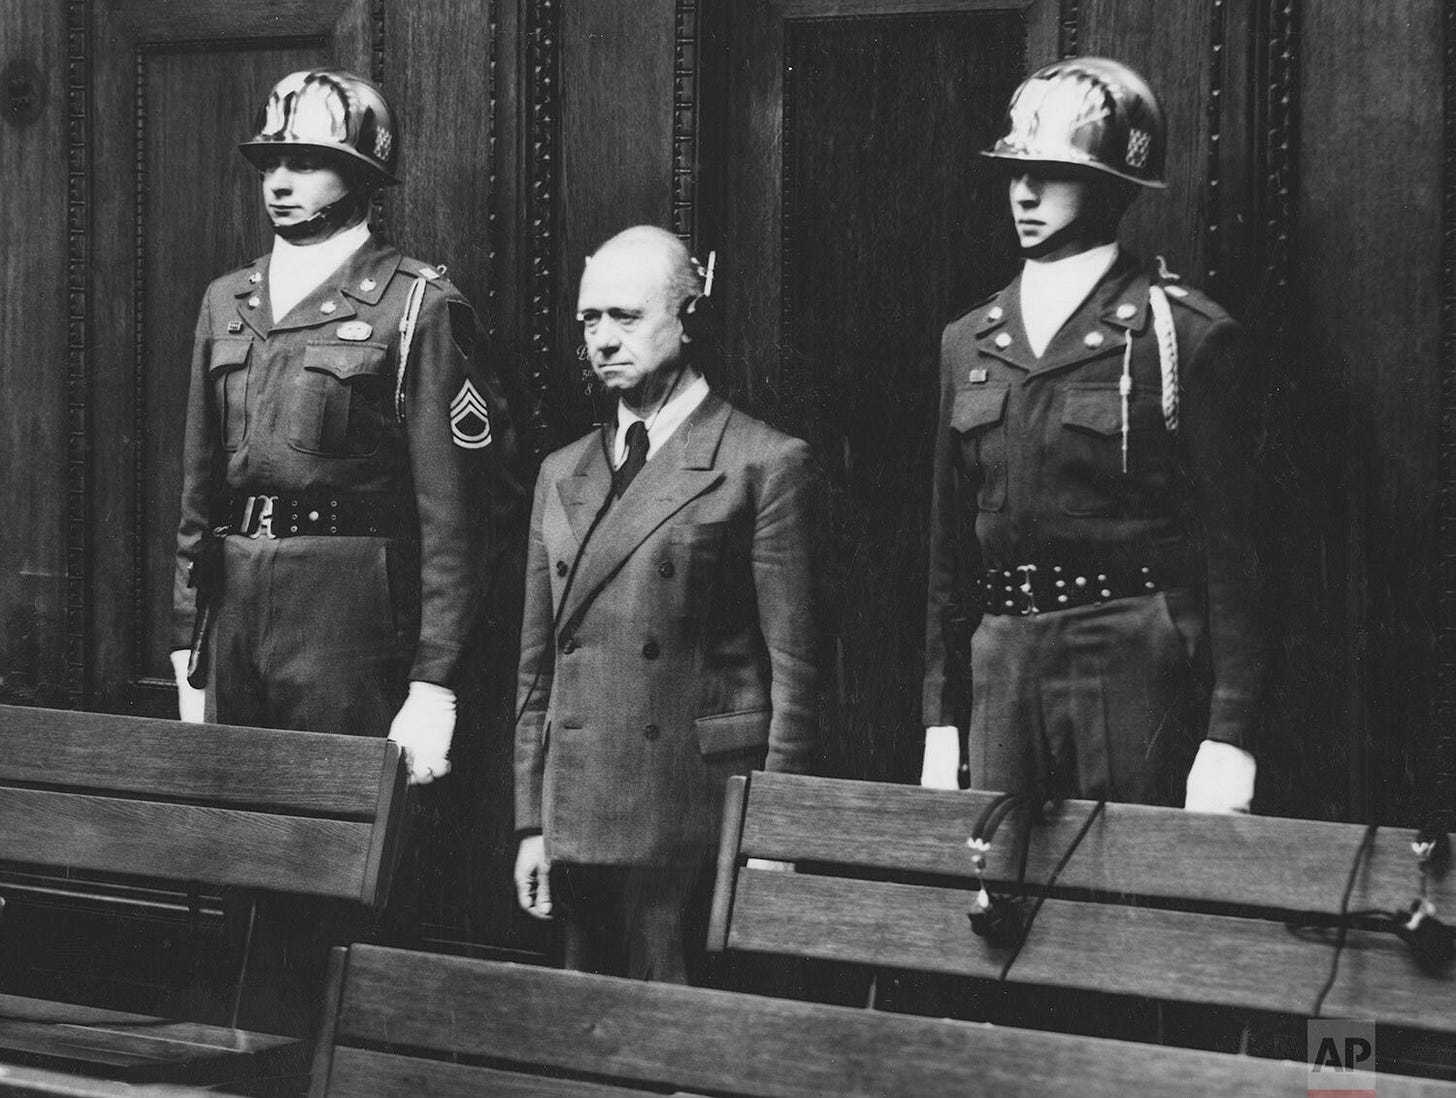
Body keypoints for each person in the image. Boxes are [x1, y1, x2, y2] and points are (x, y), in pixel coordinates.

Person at [921, 57, 1269, 813]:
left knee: (1129, 881)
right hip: (1003, 668)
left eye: (1052, 173)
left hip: (1131, 663)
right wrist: (941, 719)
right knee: (997, 881)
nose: (1025, 192)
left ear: (1114, 186)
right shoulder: (967, 342)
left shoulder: (1182, 336)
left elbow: (1236, 556)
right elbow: (951, 558)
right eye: (1016, 171)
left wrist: (1231, 733)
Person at [171, 68, 519, 787]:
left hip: (349, 622)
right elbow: (197, 497)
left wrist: (435, 682)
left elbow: (458, 518)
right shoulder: (226, 302)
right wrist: (187, 642)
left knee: (340, 829)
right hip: (233, 616)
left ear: (360, 176)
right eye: (270, 163)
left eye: (304, 163)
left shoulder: (415, 305)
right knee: (234, 830)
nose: (278, 182)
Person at [513, 225, 818, 983]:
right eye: (589, 319)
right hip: (578, 813)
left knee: (679, 1029)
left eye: (626, 316)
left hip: (693, 814)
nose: (603, 339)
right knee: (583, 1029)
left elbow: (797, 672)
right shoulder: (561, 472)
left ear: (687, 319)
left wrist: (775, 830)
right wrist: (530, 823)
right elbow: (536, 672)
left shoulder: (762, 462)